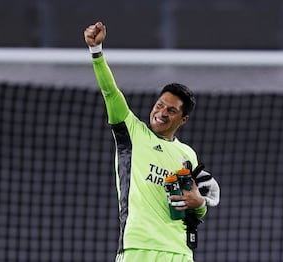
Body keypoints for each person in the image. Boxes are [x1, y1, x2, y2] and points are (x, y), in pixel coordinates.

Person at [84, 21, 220, 262]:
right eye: (159, 105)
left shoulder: (187, 155)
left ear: (184, 119)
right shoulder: (132, 133)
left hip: (179, 253)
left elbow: (196, 209)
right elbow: (110, 92)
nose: (162, 112)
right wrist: (97, 52)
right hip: (137, 250)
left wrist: (199, 202)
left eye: (171, 110)